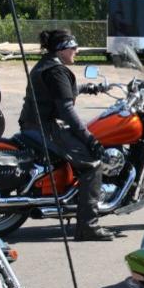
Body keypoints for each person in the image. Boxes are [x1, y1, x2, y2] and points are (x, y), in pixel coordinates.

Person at [18, 29, 113, 242]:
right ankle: (88, 227)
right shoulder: (56, 71)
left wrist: (89, 88)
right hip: (45, 128)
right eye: (73, 48)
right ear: (62, 50)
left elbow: (59, 91)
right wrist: (89, 138)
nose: (76, 51)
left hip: (34, 124)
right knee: (93, 164)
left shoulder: (48, 65)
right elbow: (66, 109)